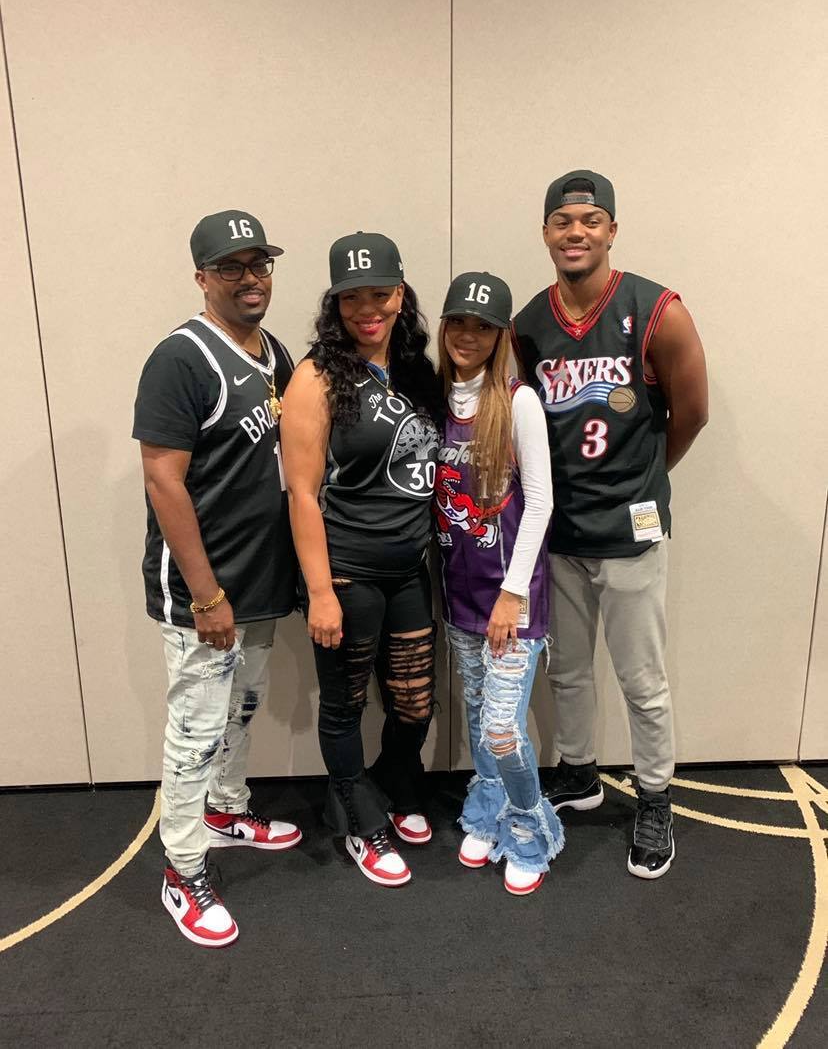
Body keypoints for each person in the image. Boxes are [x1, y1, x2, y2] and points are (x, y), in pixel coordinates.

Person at [512, 171, 709, 879]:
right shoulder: (528, 324)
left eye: (590, 221)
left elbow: (692, 414)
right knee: (566, 670)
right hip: (561, 531)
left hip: (629, 529)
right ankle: (579, 771)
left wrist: (644, 479)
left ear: (612, 231)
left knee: (641, 678)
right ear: (545, 233)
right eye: (563, 221)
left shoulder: (656, 309)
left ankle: (655, 795)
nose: (576, 232)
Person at [133, 210, 302, 947]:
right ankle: (183, 868)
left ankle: (226, 811)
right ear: (202, 277)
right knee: (196, 730)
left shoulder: (276, 353)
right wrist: (206, 594)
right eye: (231, 267)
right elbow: (162, 482)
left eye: (259, 263)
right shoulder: (181, 358)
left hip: (258, 580)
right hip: (204, 590)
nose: (249, 278)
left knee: (240, 710)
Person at [280, 231, 442, 887]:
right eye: (352, 298)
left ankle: (394, 782)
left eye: (379, 294)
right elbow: (302, 494)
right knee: (345, 703)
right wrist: (320, 591)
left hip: (408, 570)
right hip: (347, 571)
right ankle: (357, 818)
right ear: (336, 303)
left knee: (414, 704)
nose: (367, 309)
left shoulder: (416, 369)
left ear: (401, 294)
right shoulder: (316, 377)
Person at [435, 271, 565, 896]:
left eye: (482, 327)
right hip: (458, 594)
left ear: (501, 335)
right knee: (478, 711)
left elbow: (540, 503)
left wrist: (512, 594)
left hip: (510, 599)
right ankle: (488, 807)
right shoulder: (436, 401)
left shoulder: (518, 401)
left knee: (501, 729)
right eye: (458, 322)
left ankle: (530, 830)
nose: (468, 335)